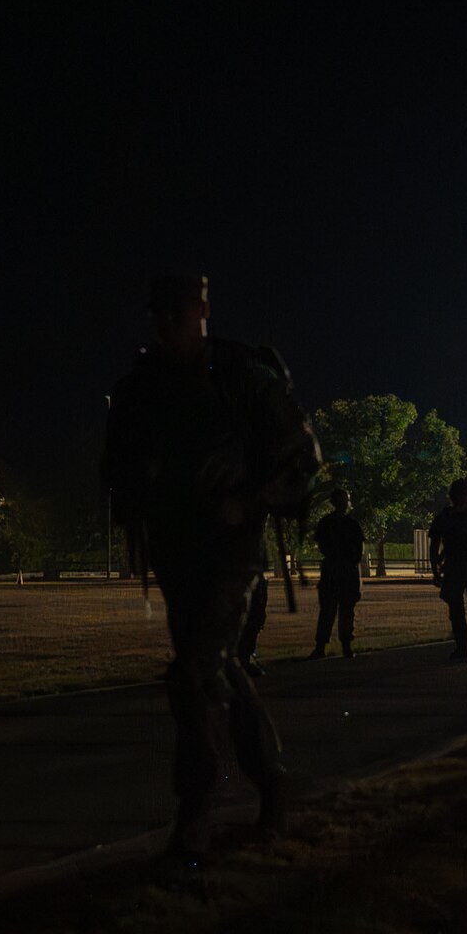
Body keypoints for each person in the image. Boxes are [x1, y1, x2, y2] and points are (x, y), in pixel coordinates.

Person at [103, 273, 318, 857]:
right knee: (216, 669)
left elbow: (302, 459)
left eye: (178, 314)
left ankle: (195, 810)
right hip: (177, 553)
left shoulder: (243, 377)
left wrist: (247, 501)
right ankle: (273, 784)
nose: (167, 326)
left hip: (232, 552)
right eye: (159, 316)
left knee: (194, 676)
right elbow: (117, 469)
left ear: (202, 310)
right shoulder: (144, 387)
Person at [427, 478, 467, 661]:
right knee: (457, 612)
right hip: (455, 567)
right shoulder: (447, 517)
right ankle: (463, 648)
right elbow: (435, 545)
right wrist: (435, 569)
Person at [308, 489, 364, 659]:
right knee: (332, 610)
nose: (344, 504)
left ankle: (340, 644)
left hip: (340, 570)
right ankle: (326, 646)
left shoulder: (334, 523)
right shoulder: (340, 524)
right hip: (338, 570)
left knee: (342, 610)